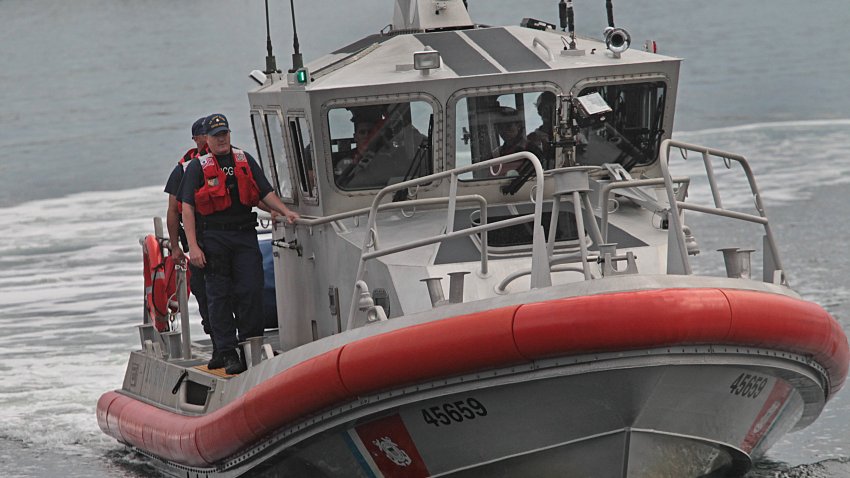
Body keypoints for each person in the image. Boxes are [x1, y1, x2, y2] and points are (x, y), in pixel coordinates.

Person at [179, 113, 299, 375]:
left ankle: (251, 345)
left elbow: (265, 191)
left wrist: (284, 211)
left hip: (244, 235)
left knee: (250, 289)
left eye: (225, 134)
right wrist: (193, 247)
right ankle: (227, 350)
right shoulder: (197, 167)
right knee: (218, 296)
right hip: (214, 238)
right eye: (216, 136)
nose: (222, 139)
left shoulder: (244, 160)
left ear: (229, 135)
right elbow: (186, 207)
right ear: (206, 140)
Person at [164, 117, 220, 362]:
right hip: (199, 240)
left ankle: (233, 341)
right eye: (206, 134)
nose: (212, 139)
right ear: (197, 139)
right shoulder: (185, 168)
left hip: (228, 235)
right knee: (204, 292)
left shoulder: (232, 160)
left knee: (236, 291)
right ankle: (217, 340)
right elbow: (173, 210)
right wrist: (175, 246)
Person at [491, 106, 544, 177]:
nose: (504, 130)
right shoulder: (496, 154)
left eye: (508, 126)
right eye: (500, 127)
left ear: (518, 126)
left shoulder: (532, 151)